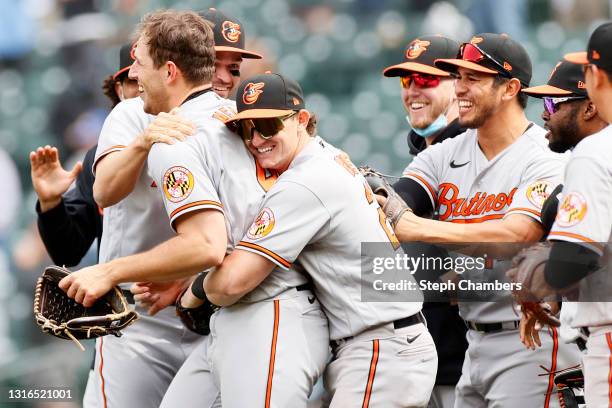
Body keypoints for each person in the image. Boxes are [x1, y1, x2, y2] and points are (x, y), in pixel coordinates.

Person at [60, 9, 329, 408]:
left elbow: (207, 242)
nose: (133, 75)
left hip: (256, 306)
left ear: (171, 70)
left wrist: (108, 270)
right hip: (186, 309)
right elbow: (104, 193)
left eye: (233, 67)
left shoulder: (204, 130)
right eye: (217, 61)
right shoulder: (237, 124)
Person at [168, 72, 436, 407]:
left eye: (267, 126)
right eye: (246, 128)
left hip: (382, 347)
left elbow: (231, 283)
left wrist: (195, 290)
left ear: (302, 120)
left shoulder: (305, 182)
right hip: (382, 342)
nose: (255, 139)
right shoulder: (328, 156)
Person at [387, 33, 581, 406]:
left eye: (471, 78)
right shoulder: (444, 153)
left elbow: (518, 234)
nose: (459, 88)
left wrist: (414, 227)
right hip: (474, 346)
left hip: (534, 343)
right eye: (457, 76)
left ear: (509, 88)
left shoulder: (546, 155)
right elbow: (397, 198)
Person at [508, 22, 612, 407]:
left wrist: (537, 279)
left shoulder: (596, 153)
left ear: (594, 82)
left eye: (552, 104)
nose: (545, 115)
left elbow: (575, 260)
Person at [383, 35, 467, 408]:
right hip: (416, 362)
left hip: (467, 357)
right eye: (406, 81)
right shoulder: (422, 156)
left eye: (427, 79)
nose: (413, 90)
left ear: (459, 84)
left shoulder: (479, 149)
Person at [31, 42, 137, 268]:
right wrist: (51, 204)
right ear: (119, 91)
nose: (141, 89)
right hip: (121, 298)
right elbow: (68, 253)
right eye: (132, 81)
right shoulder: (98, 157)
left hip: (188, 295)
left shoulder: (191, 144)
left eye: (147, 77)